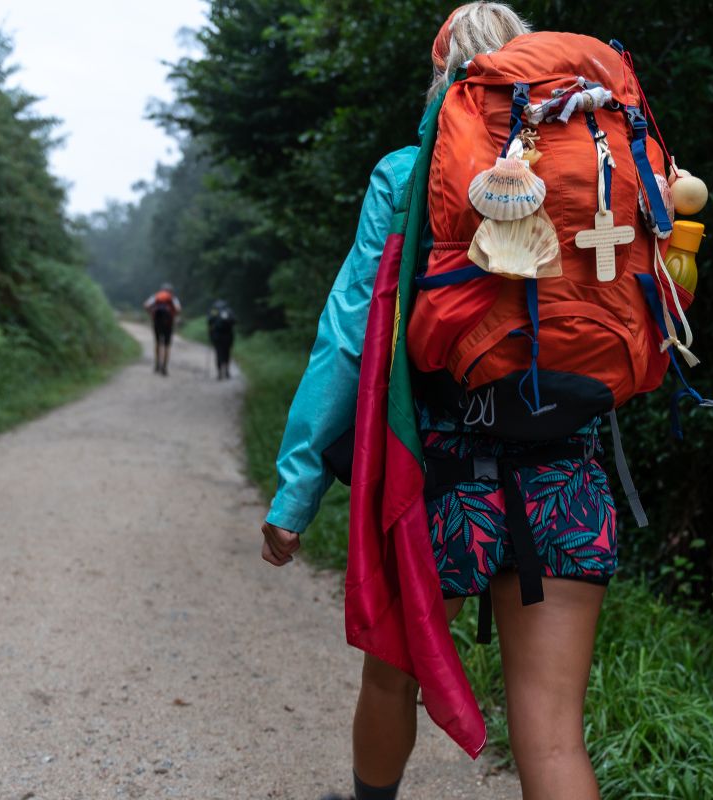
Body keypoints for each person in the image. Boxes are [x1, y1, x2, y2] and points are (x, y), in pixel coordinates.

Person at [260, 5, 619, 799]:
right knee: (555, 735)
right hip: (568, 474)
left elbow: (349, 339)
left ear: (442, 73)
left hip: (438, 482)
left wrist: (296, 490)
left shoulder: (408, 174)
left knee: (393, 680)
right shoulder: (587, 167)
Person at [143, 283, 180, 376]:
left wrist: (151, 313)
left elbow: (146, 305)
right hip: (168, 324)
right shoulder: (172, 298)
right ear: (170, 290)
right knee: (167, 345)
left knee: (158, 343)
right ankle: (164, 366)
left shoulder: (156, 296)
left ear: (161, 289)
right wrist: (173, 315)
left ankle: (157, 364)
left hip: (157, 322)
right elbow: (178, 309)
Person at [206, 300, 236, 380]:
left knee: (219, 353)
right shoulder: (229, 311)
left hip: (217, 336)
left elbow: (209, 321)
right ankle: (227, 371)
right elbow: (234, 322)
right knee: (227, 353)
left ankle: (219, 373)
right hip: (228, 336)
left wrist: (210, 335)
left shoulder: (214, 311)